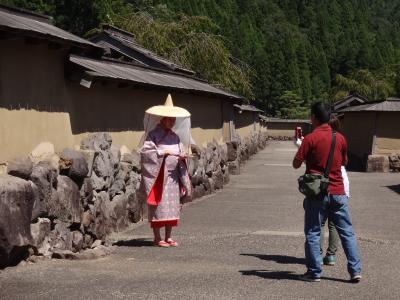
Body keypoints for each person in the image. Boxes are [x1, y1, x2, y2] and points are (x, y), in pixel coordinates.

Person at [293, 102, 362, 283]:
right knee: (347, 232)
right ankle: (355, 270)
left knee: (314, 232)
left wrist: (305, 152)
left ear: (313, 117)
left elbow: (296, 163)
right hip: (338, 191)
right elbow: (344, 161)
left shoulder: (310, 138)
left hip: (317, 193)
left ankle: (314, 272)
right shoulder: (340, 138)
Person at [140, 94, 193, 247]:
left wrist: (182, 157)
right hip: (159, 176)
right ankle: (157, 237)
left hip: (173, 176)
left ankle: (168, 236)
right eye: (168, 119)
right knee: (159, 206)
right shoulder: (153, 135)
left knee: (172, 206)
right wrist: (163, 154)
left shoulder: (175, 137)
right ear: (162, 119)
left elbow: (181, 150)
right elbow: (146, 152)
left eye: (173, 119)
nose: (171, 122)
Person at [320, 116, 350, 266]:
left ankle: (316, 255)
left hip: (323, 188)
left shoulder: (320, 139)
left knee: (319, 224)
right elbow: (345, 161)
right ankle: (331, 255)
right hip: (340, 187)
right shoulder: (342, 139)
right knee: (333, 224)